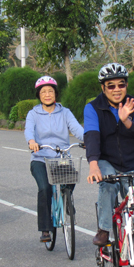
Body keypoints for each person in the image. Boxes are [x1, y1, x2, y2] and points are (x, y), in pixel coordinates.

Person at [84, 63, 134, 246]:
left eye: (121, 85)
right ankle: (104, 229)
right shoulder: (93, 108)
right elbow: (92, 137)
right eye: (111, 86)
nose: (116, 90)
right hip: (107, 160)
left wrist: (126, 120)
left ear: (126, 85)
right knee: (108, 186)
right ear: (103, 87)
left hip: (132, 163)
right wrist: (93, 165)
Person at [25, 76, 84, 242]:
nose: (47, 94)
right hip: (40, 158)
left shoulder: (65, 112)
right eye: (43, 92)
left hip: (61, 157)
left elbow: (77, 129)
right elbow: (29, 130)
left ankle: (66, 200)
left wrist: (87, 139)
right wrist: (32, 142)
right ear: (39, 95)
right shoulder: (33, 114)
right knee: (44, 188)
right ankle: (45, 229)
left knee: (72, 177)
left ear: (55, 94)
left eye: (50, 91)